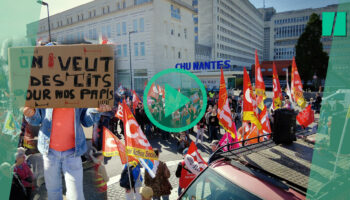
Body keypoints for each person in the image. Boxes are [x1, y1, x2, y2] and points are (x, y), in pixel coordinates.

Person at [23, 105, 111, 200]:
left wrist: (95, 110)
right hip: (49, 152)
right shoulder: (44, 90)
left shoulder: (79, 91)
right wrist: (32, 114)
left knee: (76, 196)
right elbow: (37, 120)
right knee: (53, 193)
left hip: (73, 152)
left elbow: (86, 120)